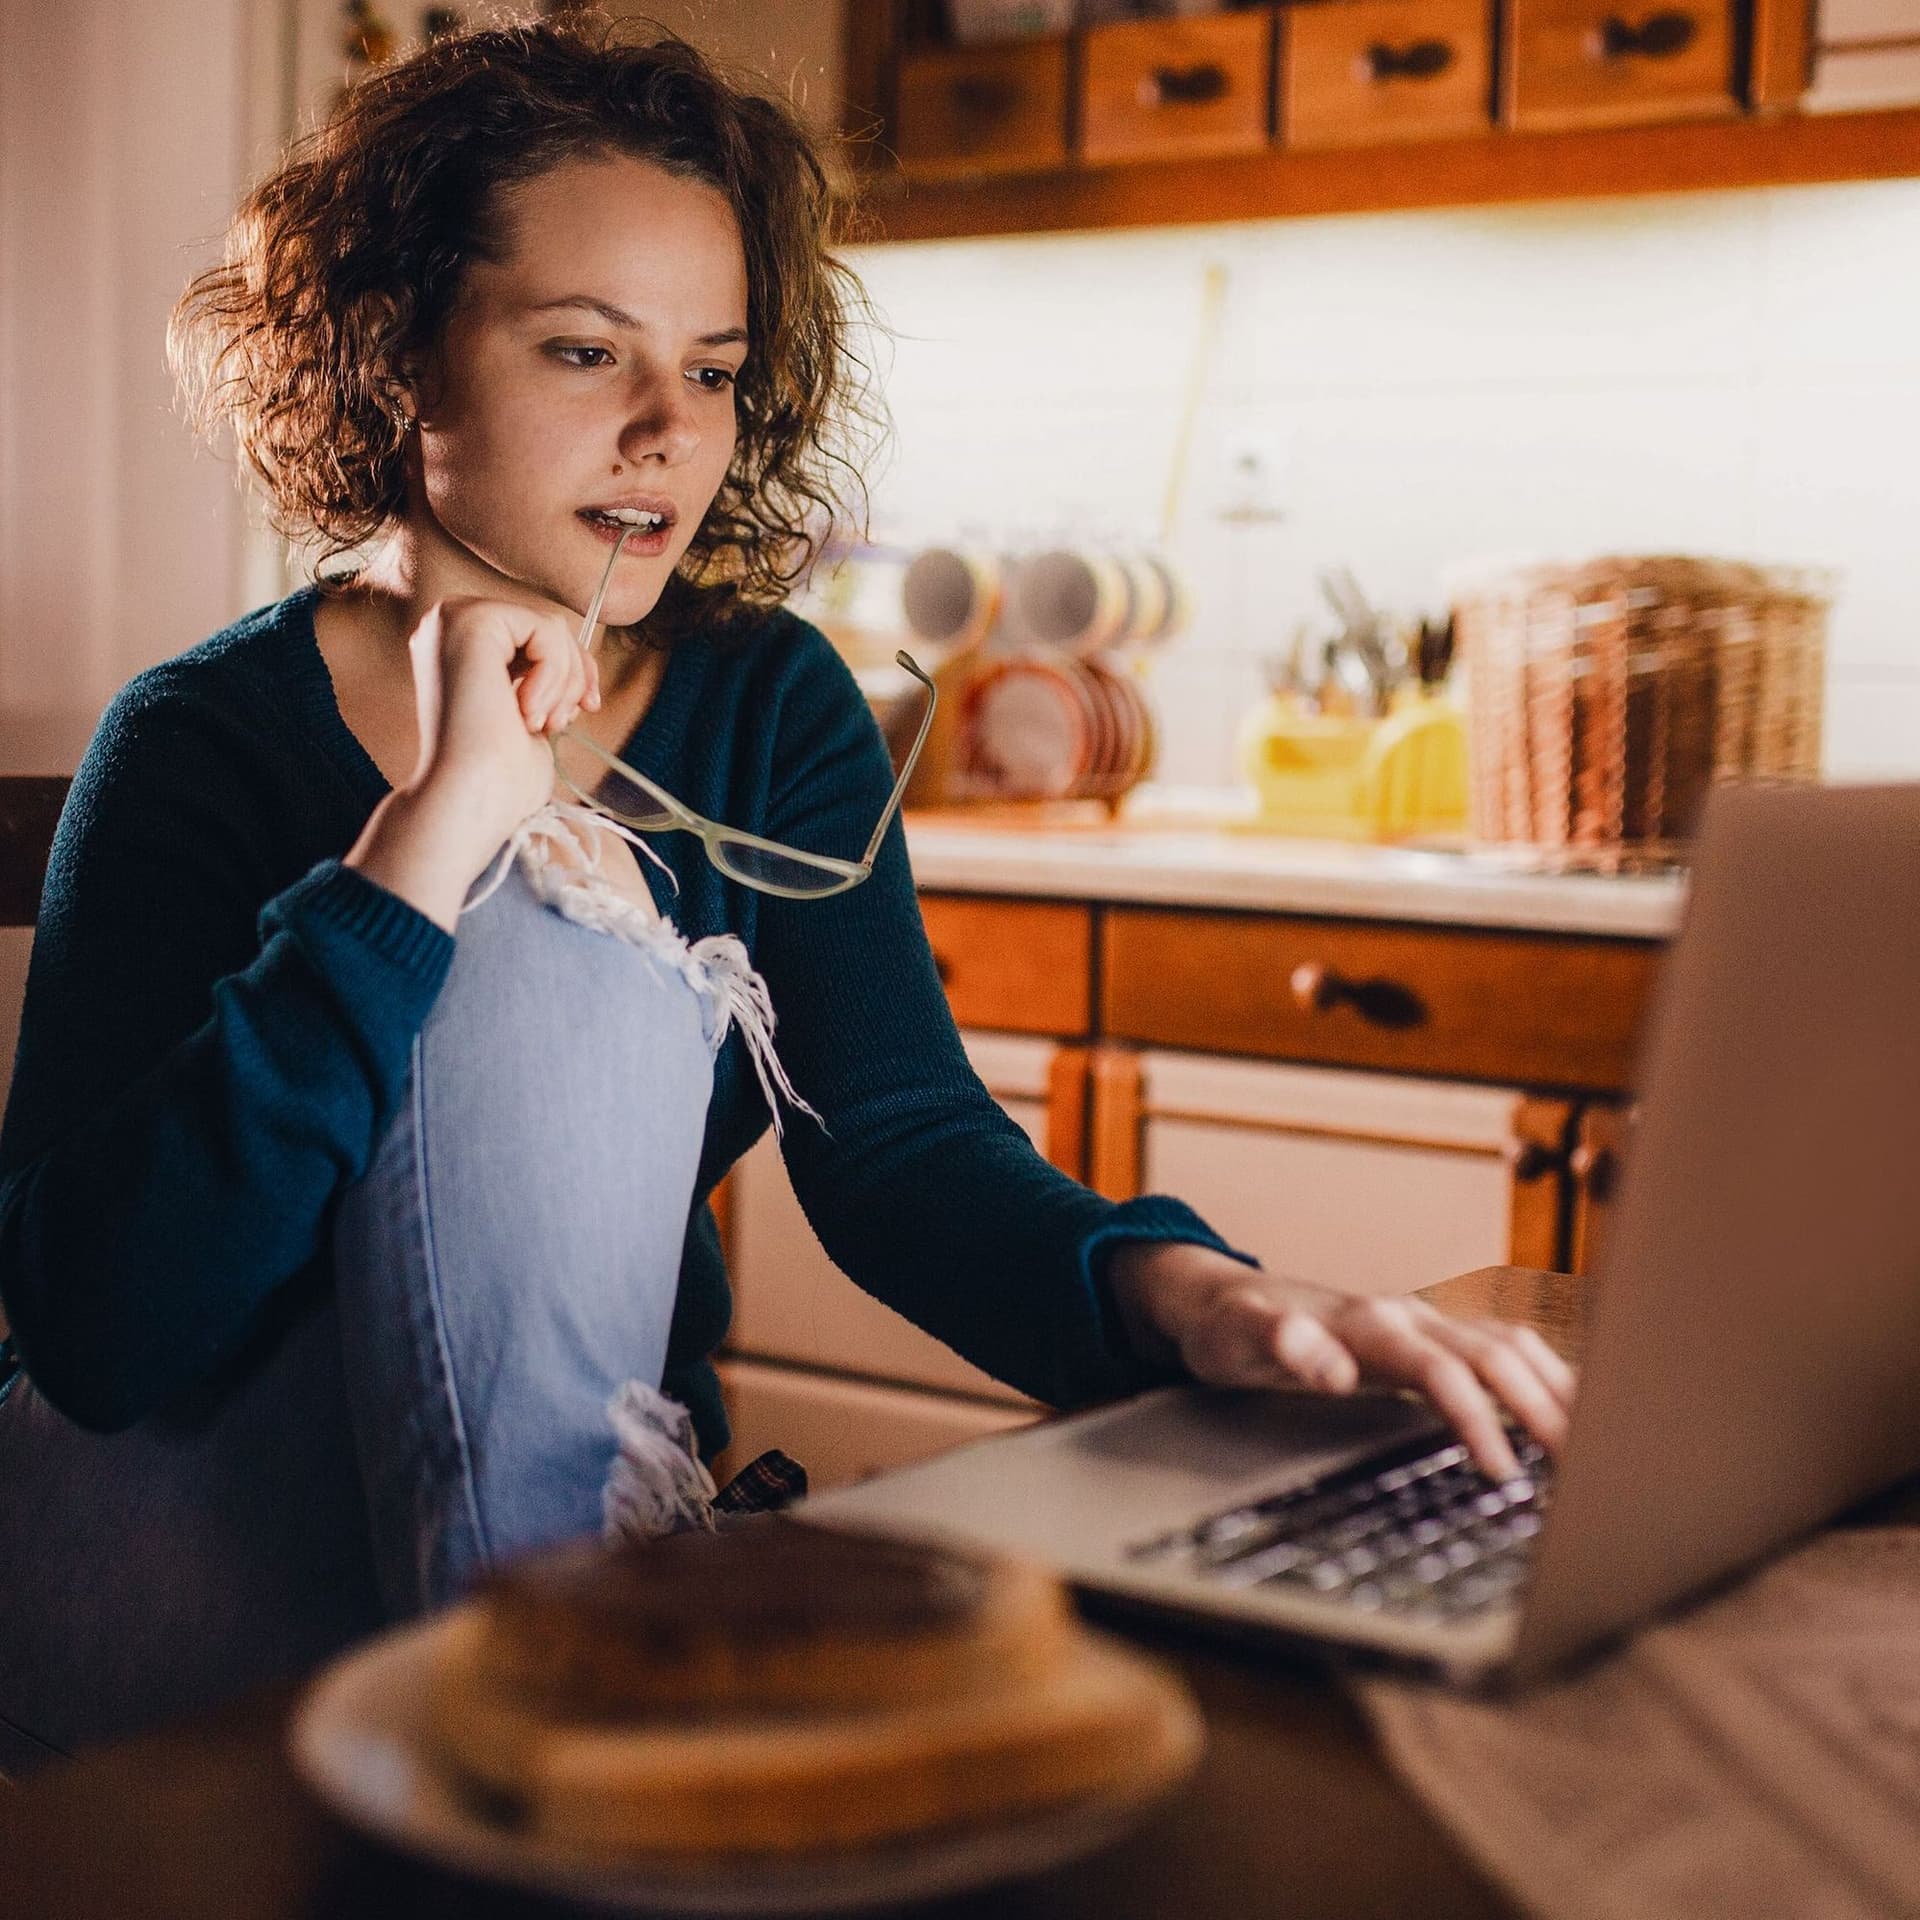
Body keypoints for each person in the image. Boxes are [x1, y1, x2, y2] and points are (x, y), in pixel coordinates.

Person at [0, 16, 1572, 1766]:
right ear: (397, 360)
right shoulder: (202, 740)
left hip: (527, 1552)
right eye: (589, 352)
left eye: (718, 368)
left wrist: (1186, 1298)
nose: (672, 431)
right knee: (533, 941)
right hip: (155, 1557)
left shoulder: (767, 702)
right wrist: (431, 840)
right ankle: (573, 1741)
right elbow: (98, 1331)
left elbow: (898, 1147)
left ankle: (556, 1726)